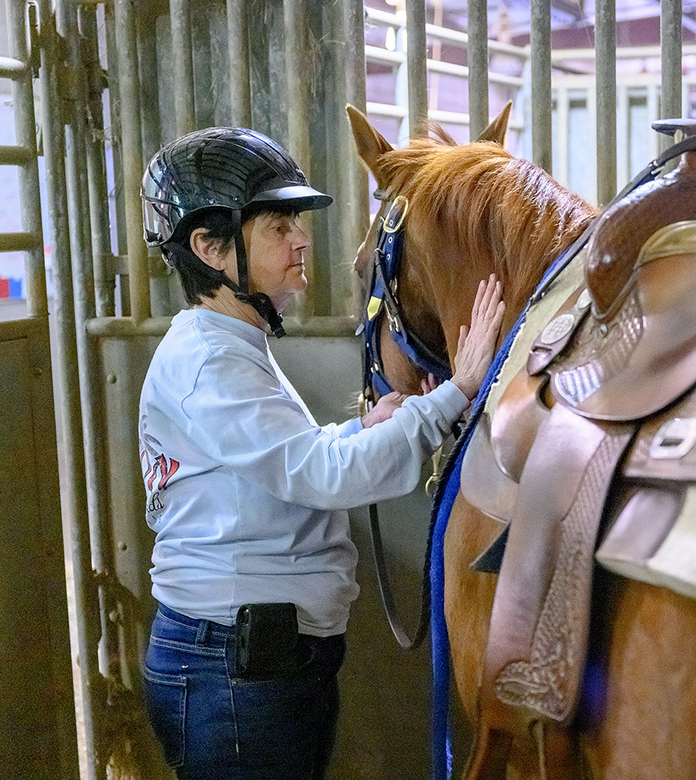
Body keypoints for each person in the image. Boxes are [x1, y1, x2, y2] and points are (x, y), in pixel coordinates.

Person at [136, 126, 504, 779]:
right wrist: (456, 393)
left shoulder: (228, 346)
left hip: (255, 657)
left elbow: (284, 459)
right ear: (210, 247)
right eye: (278, 225)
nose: (303, 239)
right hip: (234, 667)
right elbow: (318, 476)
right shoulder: (209, 362)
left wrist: (366, 429)